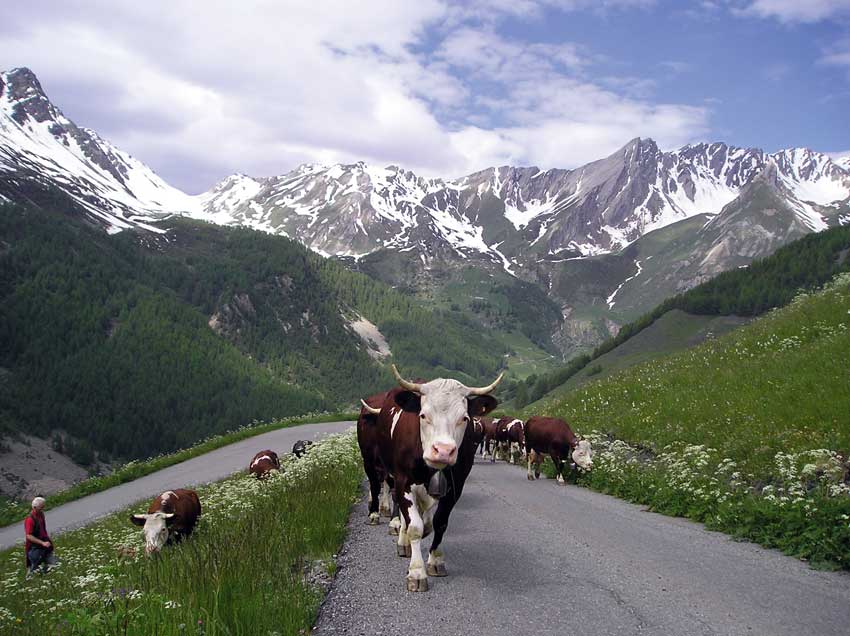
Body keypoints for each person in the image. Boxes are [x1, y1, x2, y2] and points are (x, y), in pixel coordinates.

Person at [24, 496, 57, 578]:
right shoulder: (30, 520)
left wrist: (46, 540)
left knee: (53, 563)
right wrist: (42, 543)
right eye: (41, 508)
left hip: (45, 544)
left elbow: (43, 529)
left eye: (43, 507)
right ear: (34, 508)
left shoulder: (41, 515)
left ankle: (46, 575)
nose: (42, 509)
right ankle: (30, 580)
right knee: (34, 566)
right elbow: (29, 536)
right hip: (35, 547)